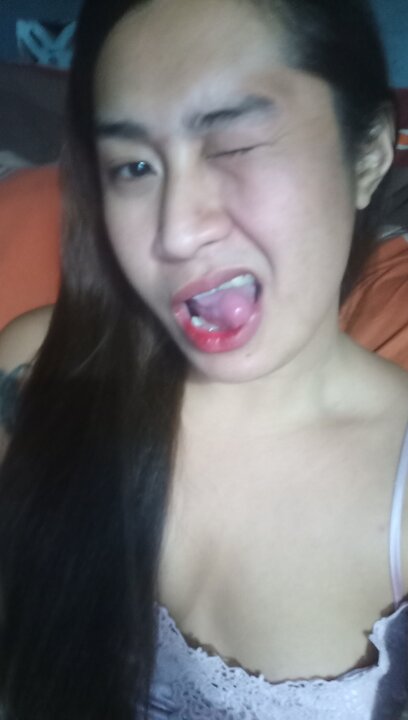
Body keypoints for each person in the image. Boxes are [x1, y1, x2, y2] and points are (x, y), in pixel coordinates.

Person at [0, 0, 407, 718]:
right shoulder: (38, 373)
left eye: (236, 145)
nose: (176, 232)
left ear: (369, 154)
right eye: (133, 166)